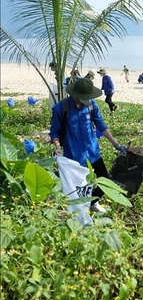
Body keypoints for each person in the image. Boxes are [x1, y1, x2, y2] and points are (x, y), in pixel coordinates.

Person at [49, 78, 127, 213]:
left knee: (105, 180)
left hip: (93, 152)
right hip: (74, 155)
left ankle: (92, 202)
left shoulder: (91, 105)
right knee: (80, 186)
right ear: (75, 95)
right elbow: (54, 132)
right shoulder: (61, 108)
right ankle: (80, 209)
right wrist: (57, 147)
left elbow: (101, 125)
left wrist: (116, 144)